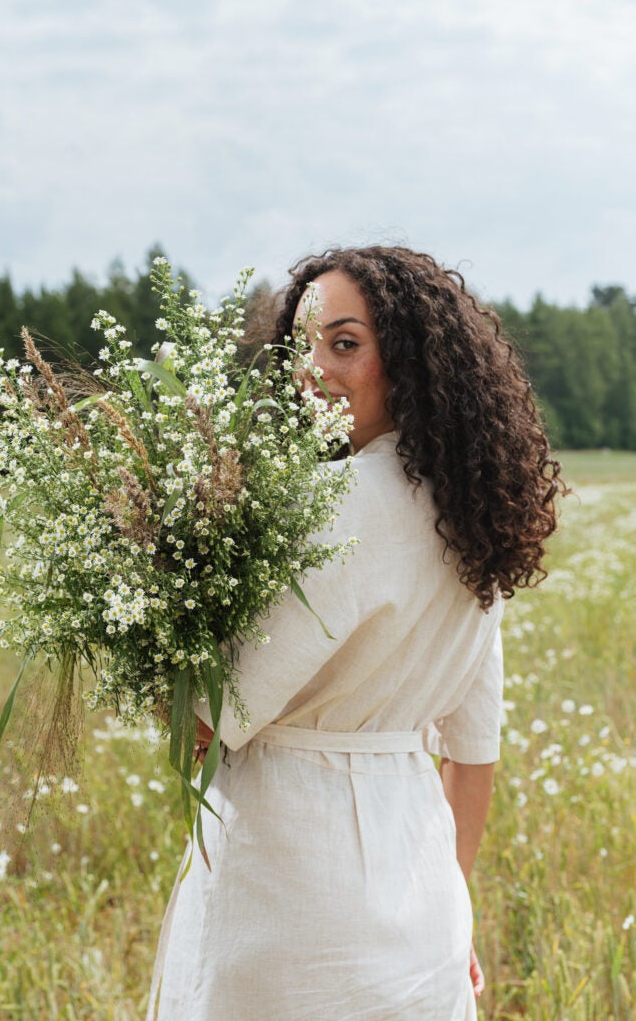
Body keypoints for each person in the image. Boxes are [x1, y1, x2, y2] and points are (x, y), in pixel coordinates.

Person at [146, 246, 565, 1021]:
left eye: (344, 343)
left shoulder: (331, 501)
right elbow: (472, 751)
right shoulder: (476, 514)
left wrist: (149, 613)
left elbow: (210, 716)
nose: (313, 368)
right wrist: (456, 903)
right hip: (421, 891)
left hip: (289, 887)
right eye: (301, 344)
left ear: (408, 357)